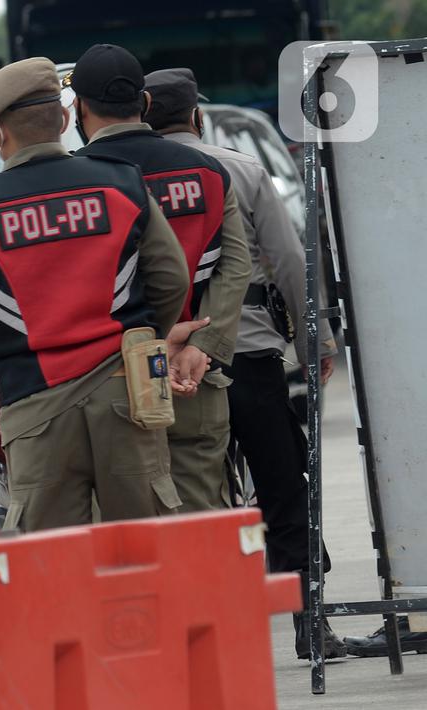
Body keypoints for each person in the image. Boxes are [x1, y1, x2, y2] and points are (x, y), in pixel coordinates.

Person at [0, 57, 194, 532]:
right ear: (65, 120)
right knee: (148, 547)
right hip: (127, 391)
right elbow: (171, 277)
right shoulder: (121, 182)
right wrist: (142, 335)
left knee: (51, 562)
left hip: (33, 402)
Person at [142, 67, 348, 659]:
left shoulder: (125, 177)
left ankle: (201, 638)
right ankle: (311, 624)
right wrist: (317, 346)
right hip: (249, 354)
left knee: (183, 496)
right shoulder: (241, 169)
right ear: (198, 117)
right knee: (283, 487)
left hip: (164, 366)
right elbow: (289, 263)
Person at [73, 44, 252, 513]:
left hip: (111, 382)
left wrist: (148, 345)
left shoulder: (74, 186)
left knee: (125, 536)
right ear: (145, 104)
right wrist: (200, 346)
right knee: (202, 526)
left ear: (79, 107)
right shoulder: (209, 173)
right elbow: (236, 265)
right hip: (194, 377)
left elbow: (75, 288)